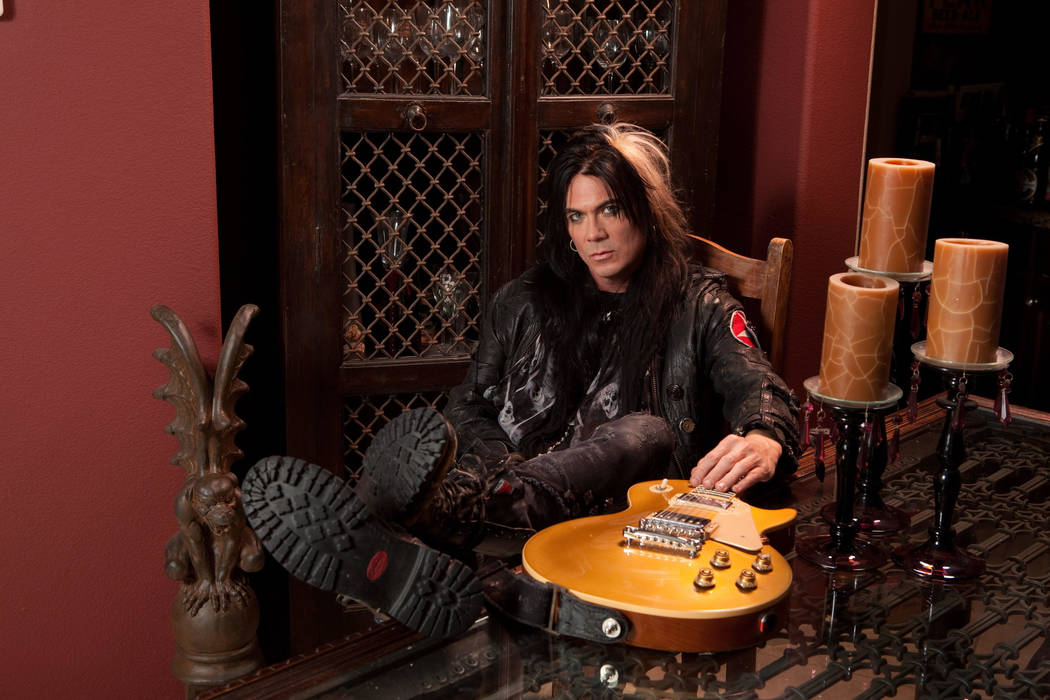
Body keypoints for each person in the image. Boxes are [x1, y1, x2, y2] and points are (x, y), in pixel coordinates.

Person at [241, 123, 800, 641]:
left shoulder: (699, 304)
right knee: (459, 456)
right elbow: (468, 406)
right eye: (576, 216)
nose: (593, 233)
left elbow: (756, 383)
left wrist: (764, 434)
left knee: (648, 431)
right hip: (508, 516)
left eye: (610, 210)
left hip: (620, 525)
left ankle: (422, 527)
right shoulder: (524, 301)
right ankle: (443, 525)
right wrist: (501, 475)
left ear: (647, 211)